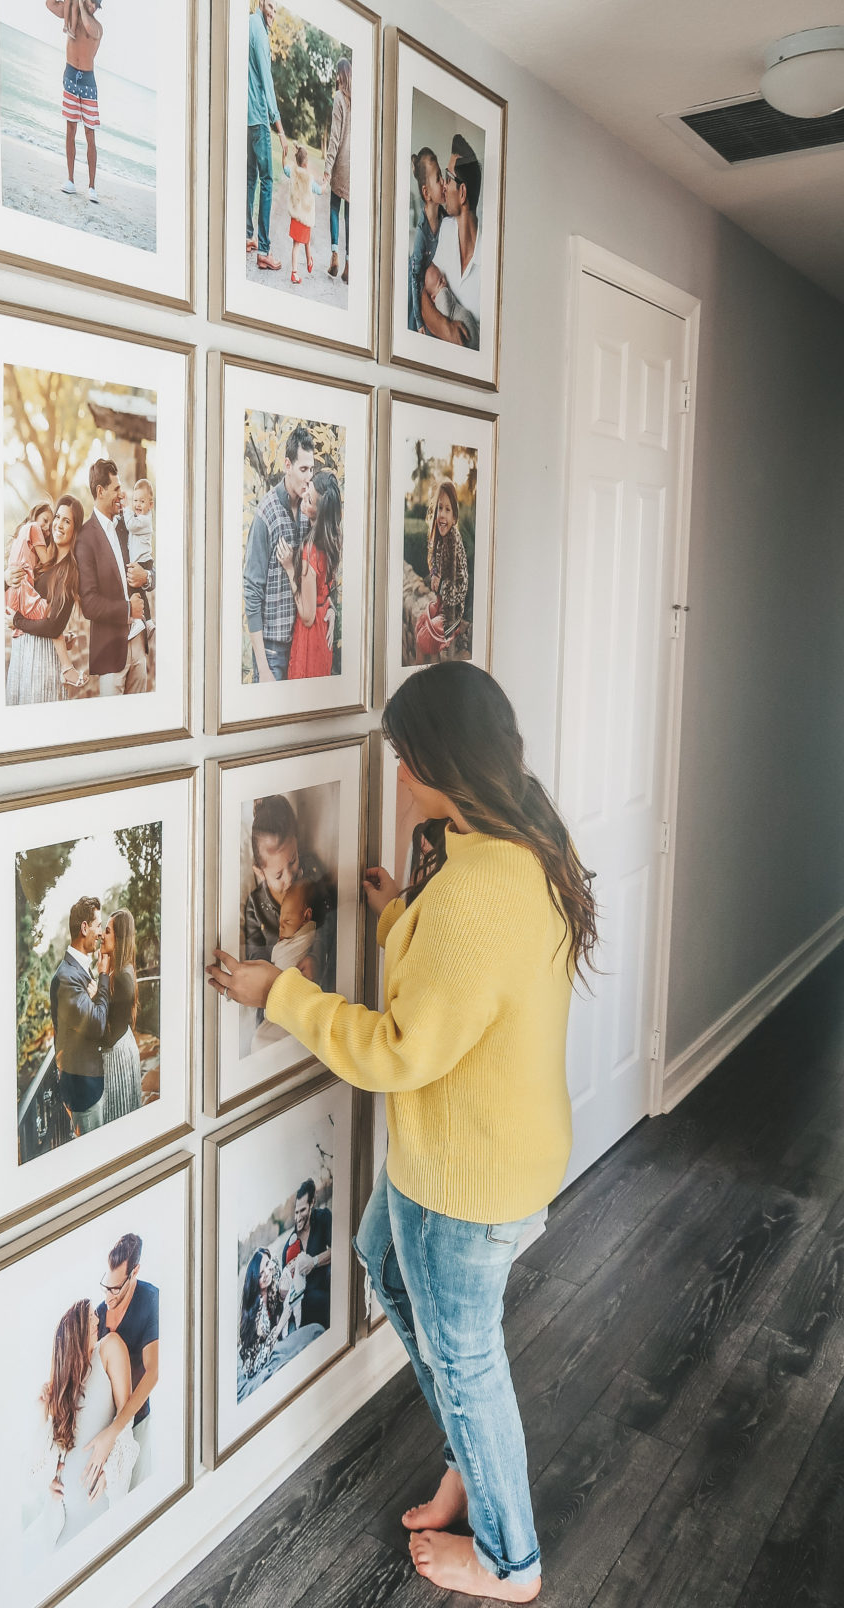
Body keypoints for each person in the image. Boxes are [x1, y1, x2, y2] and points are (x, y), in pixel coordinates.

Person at [207, 663, 598, 1602]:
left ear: (429, 761)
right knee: (381, 1262)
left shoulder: (477, 888)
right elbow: (463, 988)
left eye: (398, 754)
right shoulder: (516, 844)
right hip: (472, 1154)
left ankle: (513, 1561)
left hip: (466, 1179)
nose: (394, 770)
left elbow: (395, 1054)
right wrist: (395, 917)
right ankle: (470, 1454)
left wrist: (282, 992)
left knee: (470, 1361)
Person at [23, 1299, 137, 1558]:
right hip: (60, 1526)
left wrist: (110, 1471)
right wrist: (49, 1483)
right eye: (90, 1317)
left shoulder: (108, 1349)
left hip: (100, 1511)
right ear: (74, 1329)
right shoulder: (62, 1391)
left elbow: (126, 1419)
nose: (98, 1319)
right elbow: (39, 1465)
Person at [242, 425, 314, 684]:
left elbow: (323, 567)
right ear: (287, 465)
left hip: (301, 643)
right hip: (272, 651)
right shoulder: (266, 513)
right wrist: (263, 666)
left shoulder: (310, 510)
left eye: (311, 469)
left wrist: (330, 610)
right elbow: (252, 591)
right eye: (303, 469)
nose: (308, 478)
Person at [75, 459, 151, 696]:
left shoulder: (127, 525)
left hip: (138, 644)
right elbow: (89, 603)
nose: (122, 494)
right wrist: (128, 610)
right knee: (114, 725)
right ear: (100, 491)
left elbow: (151, 568)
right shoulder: (85, 538)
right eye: (116, 489)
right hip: (110, 653)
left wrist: (146, 577)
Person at [242, 794, 336, 985]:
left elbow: (331, 920)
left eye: (293, 860)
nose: (289, 877)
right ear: (260, 872)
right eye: (277, 875)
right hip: (278, 992)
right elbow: (255, 957)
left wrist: (316, 958)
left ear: (296, 841)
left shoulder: (311, 872)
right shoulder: (256, 906)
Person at [89, 1233, 159, 1489]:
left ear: (135, 1272)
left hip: (136, 1421)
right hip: (102, 1427)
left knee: (138, 1491)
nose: (108, 1296)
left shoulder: (150, 1300)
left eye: (116, 1288)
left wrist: (116, 1431)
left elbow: (153, 1373)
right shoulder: (97, 1314)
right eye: (105, 1286)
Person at [6, 495, 86, 700]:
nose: (58, 524)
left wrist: (17, 621)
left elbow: (53, 626)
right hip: (22, 655)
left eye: (66, 521)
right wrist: (5, 578)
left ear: (75, 529)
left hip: (41, 660)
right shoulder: (43, 564)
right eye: (57, 517)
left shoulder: (69, 572)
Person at [50, 895, 111, 1136]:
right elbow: (96, 1024)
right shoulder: (67, 978)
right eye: (98, 926)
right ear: (84, 927)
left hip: (91, 1081)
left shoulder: (77, 970)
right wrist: (104, 977)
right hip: (84, 1091)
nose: (100, 933)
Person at [46, 0, 104, 204]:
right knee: (70, 129)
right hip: (71, 75)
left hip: (88, 81)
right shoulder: (71, 16)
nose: (95, 7)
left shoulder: (96, 26)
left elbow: (89, 28)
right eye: (93, 2)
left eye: (97, 6)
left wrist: (81, 2)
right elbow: (49, 4)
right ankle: (70, 181)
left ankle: (91, 187)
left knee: (89, 133)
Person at [279, 468, 342, 680]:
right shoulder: (331, 540)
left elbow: (307, 616)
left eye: (310, 499)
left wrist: (289, 568)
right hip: (323, 629)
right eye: (309, 488)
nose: (305, 494)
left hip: (312, 634)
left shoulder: (310, 550)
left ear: (319, 513)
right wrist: (331, 609)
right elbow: (324, 589)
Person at [421, 136, 482, 348]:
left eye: (448, 178)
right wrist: (446, 328)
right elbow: (421, 290)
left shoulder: (491, 263)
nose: (444, 186)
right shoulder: (446, 229)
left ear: (463, 193)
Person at [245, 0, 289, 273]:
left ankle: (246, 235)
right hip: (259, 119)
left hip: (246, 117)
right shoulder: (260, 34)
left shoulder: (248, 23)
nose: (273, 12)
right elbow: (267, 81)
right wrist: (280, 130)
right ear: (261, 0)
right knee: (268, 180)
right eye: (271, 5)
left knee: (250, 178)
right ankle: (263, 249)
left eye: (275, 8)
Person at [413, 480, 469, 663]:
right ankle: (420, 678)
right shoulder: (440, 538)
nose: (442, 515)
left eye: (447, 509)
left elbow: (461, 586)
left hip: (452, 612)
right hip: (442, 603)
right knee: (419, 625)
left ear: (454, 517)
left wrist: (442, 584)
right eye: (440, 508)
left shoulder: (454, 542)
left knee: (425, 639)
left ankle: (431, 678)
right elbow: (436, 562)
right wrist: (435, 574)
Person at [101, 910, 143, 1124]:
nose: (101, 935)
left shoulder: (121, 977)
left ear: (118, 937)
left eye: (107, 931)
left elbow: (108, 1035)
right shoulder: (119, 971)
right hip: (122, 1048)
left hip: (118, 1057)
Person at [279, 1177, 332, 1331]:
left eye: (302, 1210)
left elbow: (340, 1248)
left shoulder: (323, 1218)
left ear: (312, 1204)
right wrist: (284, 1288)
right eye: (296, 1212)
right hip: (301, 1303)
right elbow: (285, 1290)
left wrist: (314, 1262)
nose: (298, 1217)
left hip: (325, 1289)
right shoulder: (290, 1244)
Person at [238, 1248, 293, 1387]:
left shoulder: (272, 1274)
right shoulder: (256, 1313)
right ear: (254, 1281)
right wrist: (280, 1325)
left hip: (275, 1336)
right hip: (254, 1359)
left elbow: (275, 1262)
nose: (267, 1273)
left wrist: (281, 1295)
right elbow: (255, 1364)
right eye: (261, 1274)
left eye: (267, 1266)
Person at [408, 148, 447, 334]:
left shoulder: (446, 220)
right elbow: (415, 278)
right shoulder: (421, 234)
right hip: (420, 299)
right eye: (439, 178)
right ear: (427, 193)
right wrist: (419, 322)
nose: (444, 182)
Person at [321, 56, 352, 284]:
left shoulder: (339, 98)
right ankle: (350, 263)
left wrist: (327, 169)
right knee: (350, 216)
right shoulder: (358, 101)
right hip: (356, 168)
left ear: (340, 75)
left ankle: (334, 254)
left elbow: (335, 137)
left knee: (334, 207)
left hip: (341, 162)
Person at [281, 144, 323, 284]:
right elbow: (320, 190)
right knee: (302, 243)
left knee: (300, 242)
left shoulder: (292, 172)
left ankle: (307, 261)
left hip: (296, 215)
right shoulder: (309, 179)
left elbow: (285, 167)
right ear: (306, 163)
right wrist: (326, 183)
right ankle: (296, 272)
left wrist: (284, 155)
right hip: (305, 215)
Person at [121, 478, 156, 638]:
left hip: (142, 562)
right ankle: (148, 622)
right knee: (141, 594)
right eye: (135, 500)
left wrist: (126, 507)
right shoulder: (140, 518)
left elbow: (130, 525)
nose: (137, 504)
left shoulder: (144, 520)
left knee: (133, 590)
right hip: (142, 560)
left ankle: (138, 622)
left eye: (142, 501)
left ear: (151, 504)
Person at [269, 879, 316, 972]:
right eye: (280, 922)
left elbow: (276, 954)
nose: (280, 927)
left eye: (287, 921)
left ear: (306, 917)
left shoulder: (308, 936)